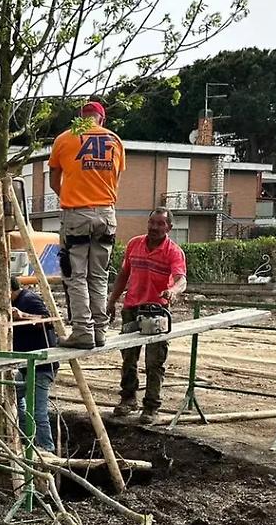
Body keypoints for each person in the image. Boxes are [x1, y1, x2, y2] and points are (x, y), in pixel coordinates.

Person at [49, 101, 126, 348]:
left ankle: (83, 332)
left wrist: (72, 199)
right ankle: (100, 331)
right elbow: (115, 180)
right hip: (107, 215)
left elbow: (53, 180)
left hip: (77, 216)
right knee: (99, 276)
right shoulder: (115, 141)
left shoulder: (64, 139)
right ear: (101, 120)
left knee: (76, 276)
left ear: (80, 117)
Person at [106, 208, 187, 425]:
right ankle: (128, 398)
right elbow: (124, 274)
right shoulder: (134, 244)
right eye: (152, 222)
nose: (154, 227)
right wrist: (112, 300)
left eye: (160, 224)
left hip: (156, 311)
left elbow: (181, 279)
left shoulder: (173, 251)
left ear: (169, 227)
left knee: (155, 361)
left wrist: (173, 291)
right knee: (128, 358)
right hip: (132, 307)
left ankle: (151, 406)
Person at [10, 276, 59, 450]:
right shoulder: (18, 301)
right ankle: (25, 438)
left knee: (38, 412)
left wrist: (22, 316)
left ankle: (48, 450)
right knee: (13, 395)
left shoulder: (29, 299)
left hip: (41, 366)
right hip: (26, 365)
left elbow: (48, 320)